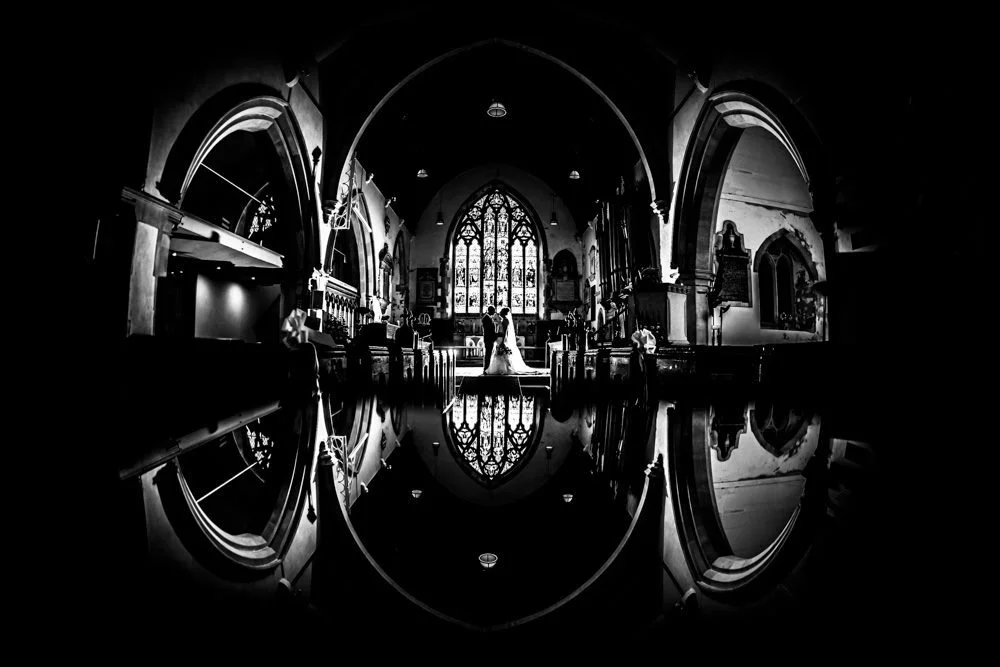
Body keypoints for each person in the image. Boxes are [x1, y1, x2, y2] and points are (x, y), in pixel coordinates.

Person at [485, 307, 544, 375]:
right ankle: (502, 368)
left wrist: (503, 342)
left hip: (502, 339)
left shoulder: (505, 321)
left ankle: (504, 368)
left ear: (504, 313)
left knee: (501, 353)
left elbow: (505, 333)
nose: (499, 312)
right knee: (499, 353)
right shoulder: (503, 320)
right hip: (500, 338)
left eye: (501, 311)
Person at [481, 305, 499, 372]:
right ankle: (486, 368)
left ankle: (487, 368)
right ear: (490, 310)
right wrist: (496, 335)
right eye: (494, 310)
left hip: (489, 338)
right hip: (489, 339)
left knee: (489, 354)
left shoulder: (488, 317)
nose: (495, 312)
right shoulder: (486, 318)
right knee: (488, 354)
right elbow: (489, 330)